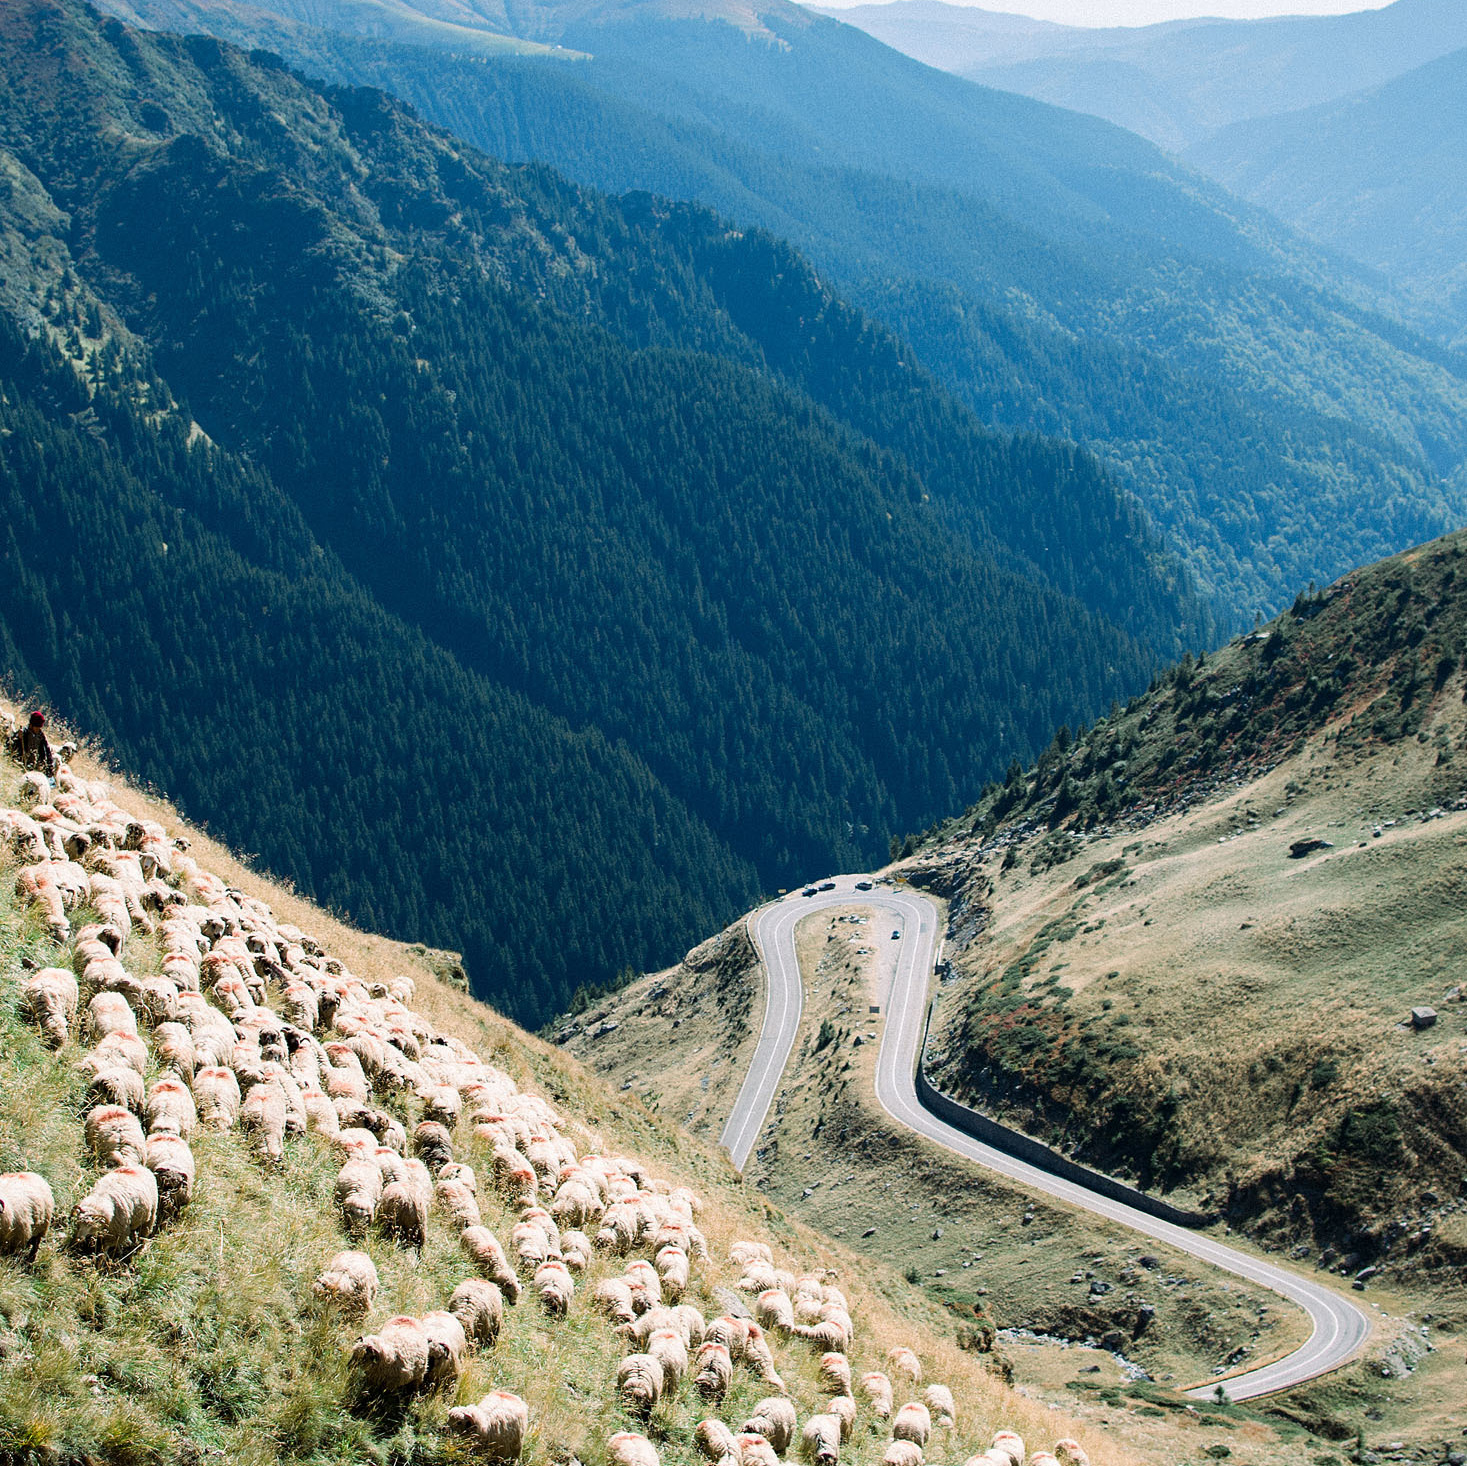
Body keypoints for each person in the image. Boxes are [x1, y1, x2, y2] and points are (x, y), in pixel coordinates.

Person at [19, 711, 56, 777]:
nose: (38, 729)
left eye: (39, 727)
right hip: (23, 763)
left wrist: (49, 765)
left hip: (36, 764)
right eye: (37, 727)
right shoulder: (23, 733)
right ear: (31, 725)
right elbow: (11, 746)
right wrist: (18, 737)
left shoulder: (40, 735)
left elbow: (46, 750)